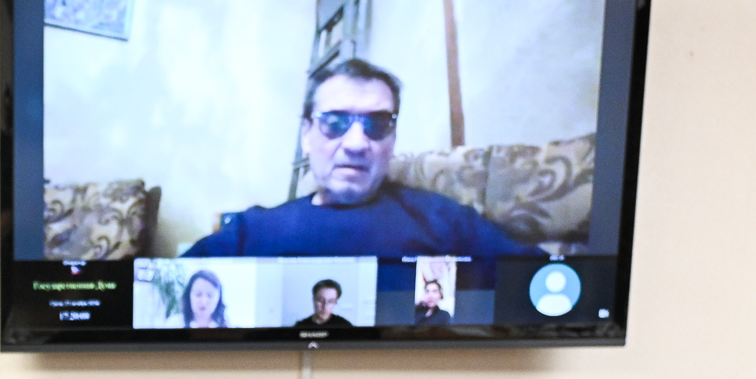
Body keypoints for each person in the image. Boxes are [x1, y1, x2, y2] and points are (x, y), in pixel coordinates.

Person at [183, 58, 525, 260]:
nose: (357, 143)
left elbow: (542, 289)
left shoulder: (445, 221)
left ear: (392, 139)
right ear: (306, 135)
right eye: (335, 122)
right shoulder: (249, 232)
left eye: (377, 124)